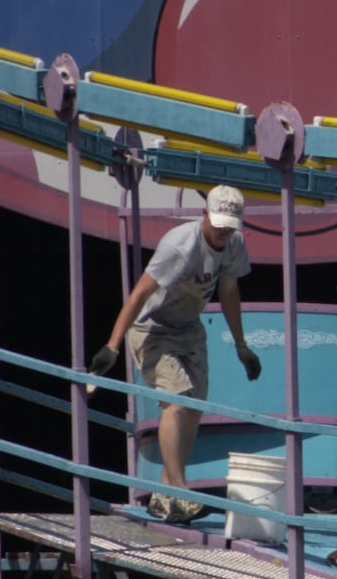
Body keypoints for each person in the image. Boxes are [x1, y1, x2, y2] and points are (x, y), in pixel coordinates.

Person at [92, 184, 262, 522]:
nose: (224, 233)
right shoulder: (179, 246)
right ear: (204, 216)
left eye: (230, 226)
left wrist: (242, 347)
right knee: (177, 401)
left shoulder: (233, 244)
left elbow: (229, 291)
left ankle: (164, 490)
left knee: (194, 407)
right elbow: (139, 294)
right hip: (152, 328)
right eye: (218, 225)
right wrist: (112, 345)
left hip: (189, 328)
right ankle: (180, 491)